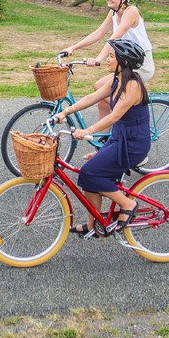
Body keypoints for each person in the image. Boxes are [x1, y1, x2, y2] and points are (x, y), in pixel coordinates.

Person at [54, 37, 150, 237]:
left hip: (132, 144)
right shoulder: (117, 80)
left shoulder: (132, 85)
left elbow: (115, 116)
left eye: (111, 56)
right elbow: (92, 98)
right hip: (119, 139)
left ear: (123, 62)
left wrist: (88, 131)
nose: (107, 59)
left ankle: (127, 204)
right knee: (89, 175)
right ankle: (94, 225)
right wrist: (66, 111)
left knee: (89, 173)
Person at [61, 0, 154, 122]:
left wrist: (99, 59)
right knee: (100, 89)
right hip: (126, 62)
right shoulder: (113, 12)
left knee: (114, 95)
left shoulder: (131, 11)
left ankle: (127, 123)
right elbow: (98, 33)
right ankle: (103, 138)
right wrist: (73, 47)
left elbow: (115, 37)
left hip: (141, 64)